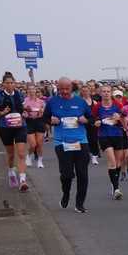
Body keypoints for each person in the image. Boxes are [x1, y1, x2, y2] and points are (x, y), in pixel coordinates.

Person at [42, 77, 94, 213]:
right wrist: (51, 120)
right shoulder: (52, 102)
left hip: (80, 141)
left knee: (82, 174)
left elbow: (92, 118)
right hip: (62, 142)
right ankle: (66, 193)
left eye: (67, 89)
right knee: (66, 174)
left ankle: (79, 203)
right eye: (62, 89)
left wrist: (86, 120)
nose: (65, 91)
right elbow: (45, 117)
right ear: (58, 88)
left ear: (72, 88)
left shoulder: (80, 102)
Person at [0, 71, 28, 191]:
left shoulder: (19, 94)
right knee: (11, 155)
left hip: (20, 126)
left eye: (11, 83)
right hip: (6, 127)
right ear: (3, 84)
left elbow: (22, 107)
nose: (10, 85)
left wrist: (27, 110)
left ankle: (23, 180)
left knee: (21, 154)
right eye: (7, 83)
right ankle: (11, 173)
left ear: (14, 83)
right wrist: (1, 112)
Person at [93, 85, 126, 200]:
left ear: (111, 93)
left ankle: (114, 182)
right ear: (100, 93)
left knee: (118, 163)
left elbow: (126, 119)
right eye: (104, 92)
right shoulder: (97, 106)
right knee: (112, 162)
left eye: (108, 91)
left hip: (117, 135)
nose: (106, 93)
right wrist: (95, 123)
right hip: (104, 136)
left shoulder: (118, 105)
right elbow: (93, 119)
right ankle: (116, 189)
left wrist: (119, 118)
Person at [22, 83, 48, 169]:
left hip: (39, 122)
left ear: (35, 90)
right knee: (33, 144)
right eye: (29, 89)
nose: (31, 90)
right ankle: (29, 156)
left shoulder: (40, 101)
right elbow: (21, 111)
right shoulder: (24, 101)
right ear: (27, 91)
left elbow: (46, 111)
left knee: (40, 144)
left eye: (33, 89)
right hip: (29, 122)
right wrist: (24, 114)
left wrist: (42, 111)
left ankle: (40, 161)